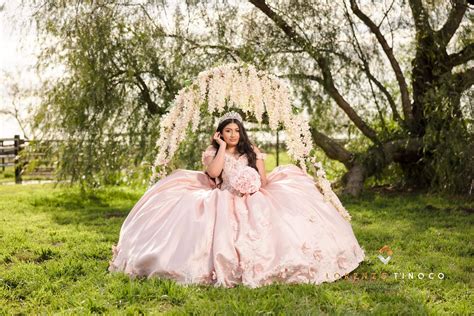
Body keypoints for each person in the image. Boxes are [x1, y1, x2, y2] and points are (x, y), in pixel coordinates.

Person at [109, 111, 365, 288]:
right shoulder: (213, 152)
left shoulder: (253, 151)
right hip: (225, 194)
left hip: (253, 195)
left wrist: (252, 184)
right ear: (220, 133)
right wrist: (220, 148)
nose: (232, 135)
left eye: (236, 131)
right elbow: (213, 174)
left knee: (273, 220)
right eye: (227, 131)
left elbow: (263, 180)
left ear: (242, 133)